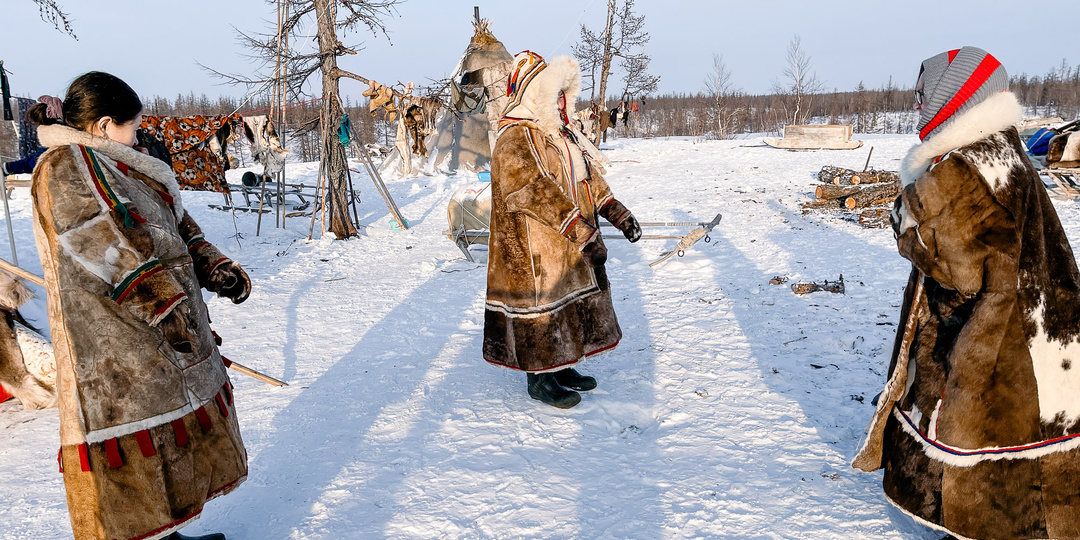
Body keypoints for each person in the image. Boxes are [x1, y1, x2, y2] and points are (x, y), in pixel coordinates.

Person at [853, 47, 1080, 539]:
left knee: (983, 467)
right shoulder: (1001, 149)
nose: (915, 106)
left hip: (995, 344)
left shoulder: (962, 169)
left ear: (953, 98)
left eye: (921, 97)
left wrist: (908, 217)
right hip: (1039, 335)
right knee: (1032, 459)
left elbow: (961, 273)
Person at [29, 71, 250, 540]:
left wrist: (212, 264)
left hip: (154, 334)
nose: (139, 133)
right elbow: (102, 240)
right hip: (114, 342)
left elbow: (169, 225)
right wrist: (164, 305)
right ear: (104, 125)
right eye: (133, 124)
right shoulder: (67, 164)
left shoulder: (119, 164)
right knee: (133, 447)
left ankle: (167, 535)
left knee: (170, 437)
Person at [484, 52, 641, 409]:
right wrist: (579, 230)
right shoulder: (515, 138)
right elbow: (532, 189)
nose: (558, 101)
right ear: (532, 94)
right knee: (544, 308)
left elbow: (585, 176)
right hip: (534, 244)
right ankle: (539, 379)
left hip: (567, 238)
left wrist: (615, 211)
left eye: (561, 94)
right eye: (551, 92)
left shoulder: (556, 135)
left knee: (568, 305)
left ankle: (562, 365)